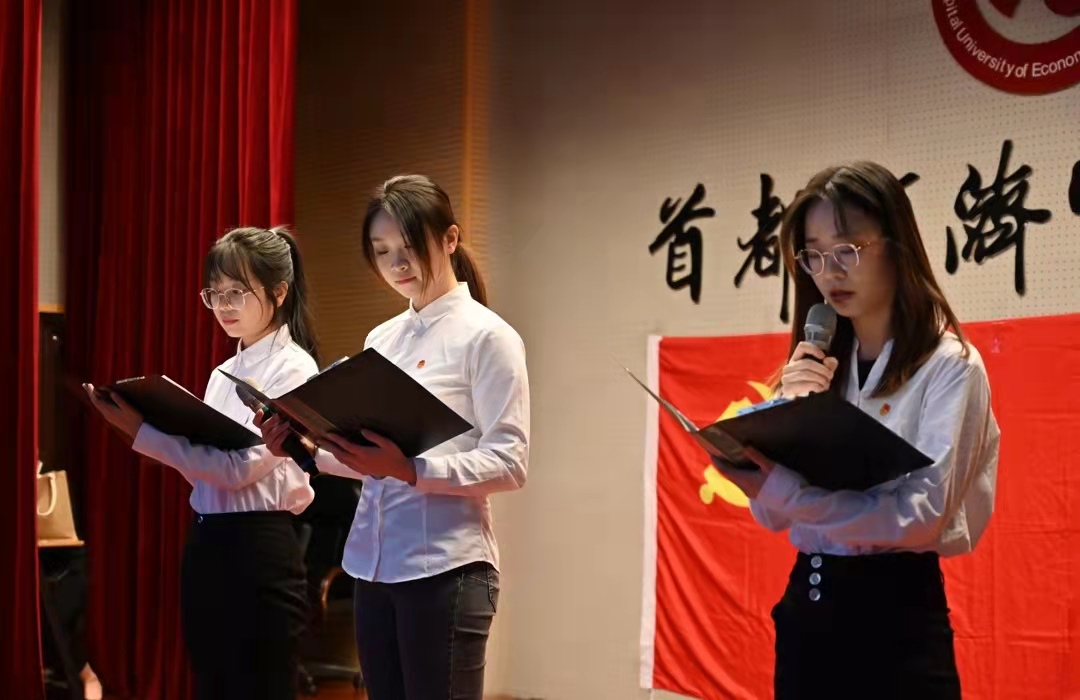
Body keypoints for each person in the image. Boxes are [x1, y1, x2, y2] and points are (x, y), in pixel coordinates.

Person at [712, 162, 1000, 699]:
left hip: (898, 623)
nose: (829, 272)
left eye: (847, 250)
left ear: (896, 247)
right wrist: (787, 414)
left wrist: (789, 491)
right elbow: (774, 516)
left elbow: (920, 516)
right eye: (813, 255)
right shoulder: (815, 366)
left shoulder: (950, 366)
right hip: (808, 609)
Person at [257, 174, 530, 700]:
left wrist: (411, 469)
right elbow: (368, 459)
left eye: (409, 248)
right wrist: (304, 448)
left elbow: (510, 462)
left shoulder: (489, 337)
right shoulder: (382, 338)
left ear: (450, 239)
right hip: (372, 565)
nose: (397, 265)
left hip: (447, 566)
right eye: (382, 252)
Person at [83, 227, 320, 700]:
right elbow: (204, 471)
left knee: (262, 686)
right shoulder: (222, 373)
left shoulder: (295, 368)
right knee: (210, 683)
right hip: (207, 541)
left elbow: (239, 470)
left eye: (237, 293)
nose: (224, 306)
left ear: (278, 292)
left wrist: (143, 434)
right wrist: (158, 433)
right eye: (215, 294)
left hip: (260, 548)